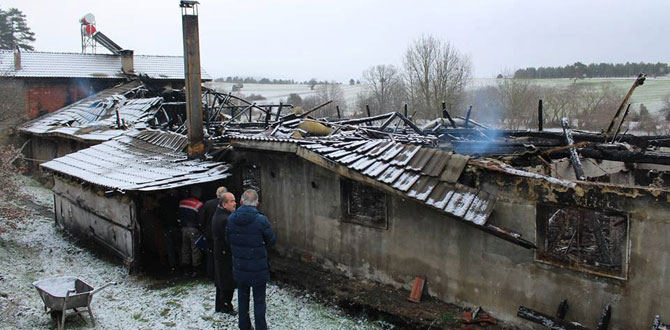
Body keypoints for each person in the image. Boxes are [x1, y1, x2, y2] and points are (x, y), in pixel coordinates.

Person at [226, 189, 275, 330]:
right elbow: (271, 240)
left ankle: (244, 326)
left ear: (241, 201)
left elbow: (227, 240)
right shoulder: (261, 220)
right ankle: (261, 327)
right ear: (257, 203)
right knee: (259, 301)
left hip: (240, 266)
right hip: (258, 268)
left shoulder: (231, 219)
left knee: (242, 299)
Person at [212, 192, 237, 314]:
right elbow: (229, 239)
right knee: (227, 281)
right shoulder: (225, 219)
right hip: (225, 255)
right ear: (224, 204)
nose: (234, 203)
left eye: (234, 200)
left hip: (220, 253)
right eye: (231, 201)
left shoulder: (220, 214)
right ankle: (226, 306)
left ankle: (220, 305)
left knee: (221, 280)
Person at [199, 186, 228, 279]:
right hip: (222, 234)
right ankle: (221, 274)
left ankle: (211, 273)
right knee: (222, 255)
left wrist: (204, 230)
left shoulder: (208, 204)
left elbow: (202, 219)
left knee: (211, 255)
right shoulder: (226, 204)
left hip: (210, 234)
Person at [178, 189, 204, 276]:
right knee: (195, 249)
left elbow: (179, 214)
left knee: (185, 248)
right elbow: (200, 218)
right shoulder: (199, 204)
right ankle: (196, 269)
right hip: (194, 229)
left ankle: (186, 268)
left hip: (184, 228)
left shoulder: (182, 202)